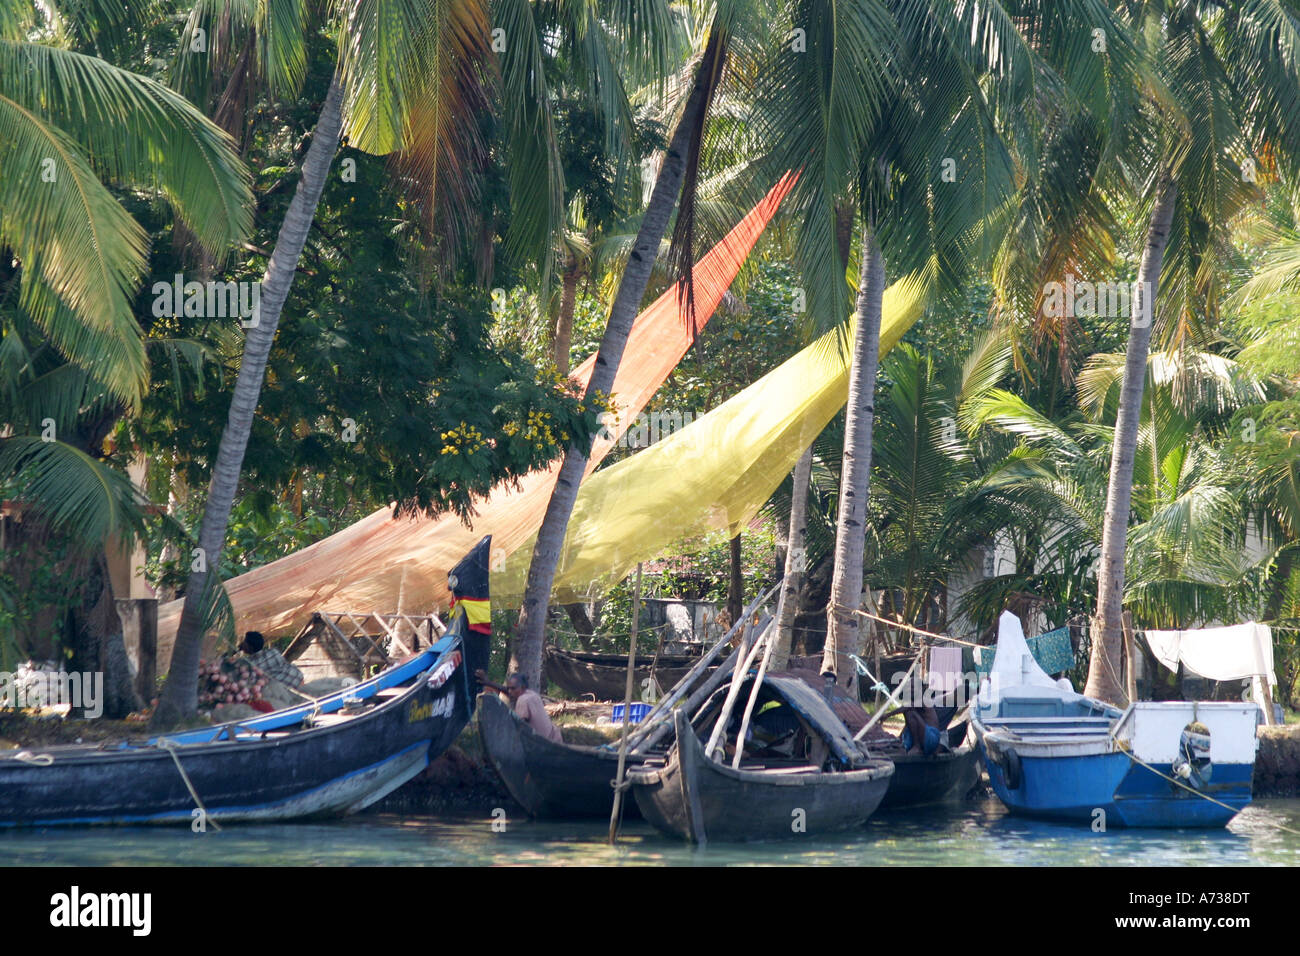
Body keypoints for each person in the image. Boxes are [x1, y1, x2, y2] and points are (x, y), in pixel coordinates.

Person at [475, 670, 563, 744]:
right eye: (509, 688)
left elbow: (520, 726)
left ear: (523, 687)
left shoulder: (522, 700)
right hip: (554, 737)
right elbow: (508, 690)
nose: (510, 691)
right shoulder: (531, 694)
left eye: (513, 688)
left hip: (542, 743)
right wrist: (488, 683)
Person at [239, 631, 304, 689]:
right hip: (296, 677)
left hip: (281, 686)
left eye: (244, 642)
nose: (242, 644)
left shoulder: (249, 663)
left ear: (249, 646)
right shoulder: (273, 651)